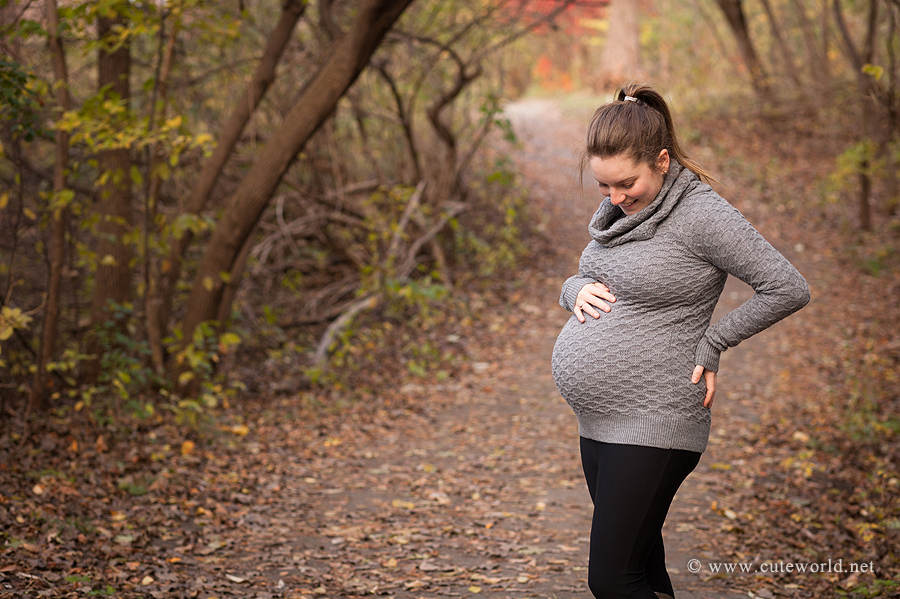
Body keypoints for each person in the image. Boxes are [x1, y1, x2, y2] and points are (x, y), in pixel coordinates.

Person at [550, 81, 810, 599]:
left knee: (612, 581)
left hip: (655, 421)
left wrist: (715, 341)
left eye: (625, 184)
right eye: (604, 188)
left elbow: (787, 287)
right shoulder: (624, 213)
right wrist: (572, 289)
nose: (615, 198)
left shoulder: (702, 215)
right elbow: (595, 272)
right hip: (600, 422)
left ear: (663, 160)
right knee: (642, 571)